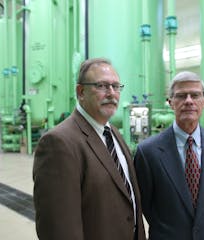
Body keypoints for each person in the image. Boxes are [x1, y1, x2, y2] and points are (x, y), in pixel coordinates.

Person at [33, 58, 146, 240]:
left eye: (116, 86)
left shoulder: (113, 133)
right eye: (101, 86)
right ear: (81, 92)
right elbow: (58, 228)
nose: (111, 93)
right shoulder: (58, 143)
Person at [134, 71, 204, 240]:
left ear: (203, 102)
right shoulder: (148, 152)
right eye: (181, 96)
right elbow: (146, 204)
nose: (189, 101)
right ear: (170, 103)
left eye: (195, 95)